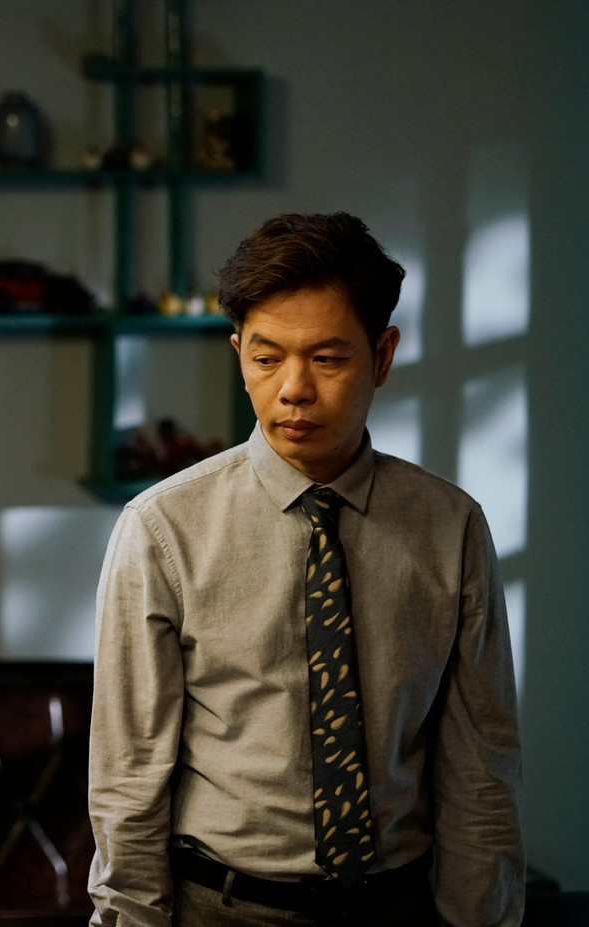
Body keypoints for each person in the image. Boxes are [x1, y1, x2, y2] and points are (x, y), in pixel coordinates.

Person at [87, 213, 523, 926]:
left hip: (397, 907)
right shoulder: (163, 528)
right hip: (220, 907)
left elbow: (481, 770)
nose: (293, 389)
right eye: (267, 359)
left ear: (382, 356)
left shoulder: (451, 527)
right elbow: (128, 776)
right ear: (239, 354)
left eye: (327, 359)